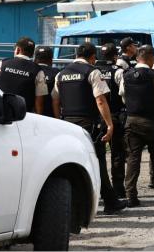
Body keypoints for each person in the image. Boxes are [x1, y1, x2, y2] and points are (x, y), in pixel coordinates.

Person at [51, 42, 127, 215]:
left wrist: (58, 121)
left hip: (68, 123)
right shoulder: (92, 72)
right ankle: (110, 202)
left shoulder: (61, 74)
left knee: (71, 162)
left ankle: (75, 204)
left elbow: (55, 99)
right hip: (88, 125)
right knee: (98, 162)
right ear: (93, 57)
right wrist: (109, 124)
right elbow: (100, 100)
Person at [119, 45, 154, 205]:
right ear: (151, 58)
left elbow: (123, 97)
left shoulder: (126, 75)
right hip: (152, 123)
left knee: (133, 159)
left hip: (132, 121)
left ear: (137, 58)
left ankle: (131, 196)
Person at [95, 43, 127, 198]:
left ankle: (100, 190)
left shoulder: (93, 71)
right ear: (115, 57)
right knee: (117, 154)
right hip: (115, 116)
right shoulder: (119, 71)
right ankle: (118, 189)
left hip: (96, 117)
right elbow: (124, 94)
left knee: (97, 155)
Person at [0, 37, 47, 114]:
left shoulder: (2, 63)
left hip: (1, 112)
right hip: (23, 116)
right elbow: (39, 100)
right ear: (32, 53)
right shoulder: (38, 70)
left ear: (18, 50)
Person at [34, 46, 59, 118]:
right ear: (51, 60)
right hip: (51, 116)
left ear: (35, 60)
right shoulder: (56, 72)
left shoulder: (30, 70)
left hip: (30, 115)